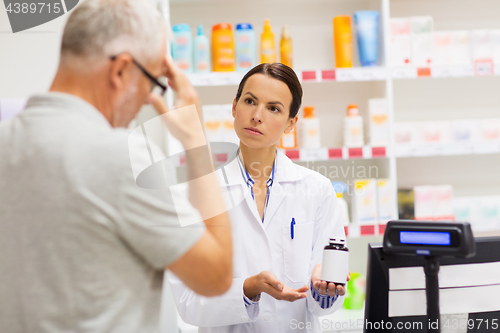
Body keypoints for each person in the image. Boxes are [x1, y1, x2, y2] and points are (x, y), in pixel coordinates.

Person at [0, 0, 232, 332]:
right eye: (152, 83)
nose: (146, 100)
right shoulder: (120, 156)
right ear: (121, 70)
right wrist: (196, 139)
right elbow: (216, 275)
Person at [168, 63, 349, 333]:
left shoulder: (317, 190)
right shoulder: (198, 194)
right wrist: (248, 289)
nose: (257, 115)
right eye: (250, 101)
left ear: (291, 124)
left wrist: (324, 289)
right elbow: (187, 302)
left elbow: (327, 303)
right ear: (234, 107)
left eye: (273, 108)